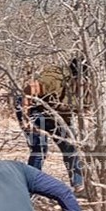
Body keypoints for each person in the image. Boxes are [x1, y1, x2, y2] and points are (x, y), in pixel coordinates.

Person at [18, 57, 89, 193]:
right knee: (39, 149)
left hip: (58, 116)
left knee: (71, 147)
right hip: (34, 109)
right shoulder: (55, 78)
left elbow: (86, 110)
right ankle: (31, 187)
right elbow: (27, 92)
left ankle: (79, 186)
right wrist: (26, 119)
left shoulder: (88, 87)